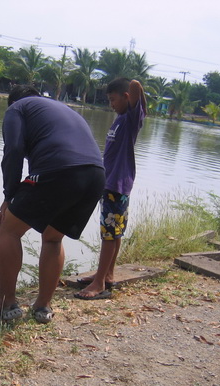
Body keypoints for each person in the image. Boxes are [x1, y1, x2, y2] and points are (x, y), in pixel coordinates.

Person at [0, 85, 105, 325]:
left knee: (8, 229)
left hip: (59, 170)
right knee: (53, 237)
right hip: (95, 176)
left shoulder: (17, 108)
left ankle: (5, 305)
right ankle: (43, 306)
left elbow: (13, 150)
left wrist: (8, 196)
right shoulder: (62, 108)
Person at [75, 78, 147, 300]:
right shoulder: (120, 119)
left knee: (108, 234)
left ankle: (99, 284)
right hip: (111, 183)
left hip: (117, 184)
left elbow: (135, 88)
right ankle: (107, 274)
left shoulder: (132, 119)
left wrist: (131, 85)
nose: (111, 104)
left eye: (113, 99)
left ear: (126, 98)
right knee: (114, 233)